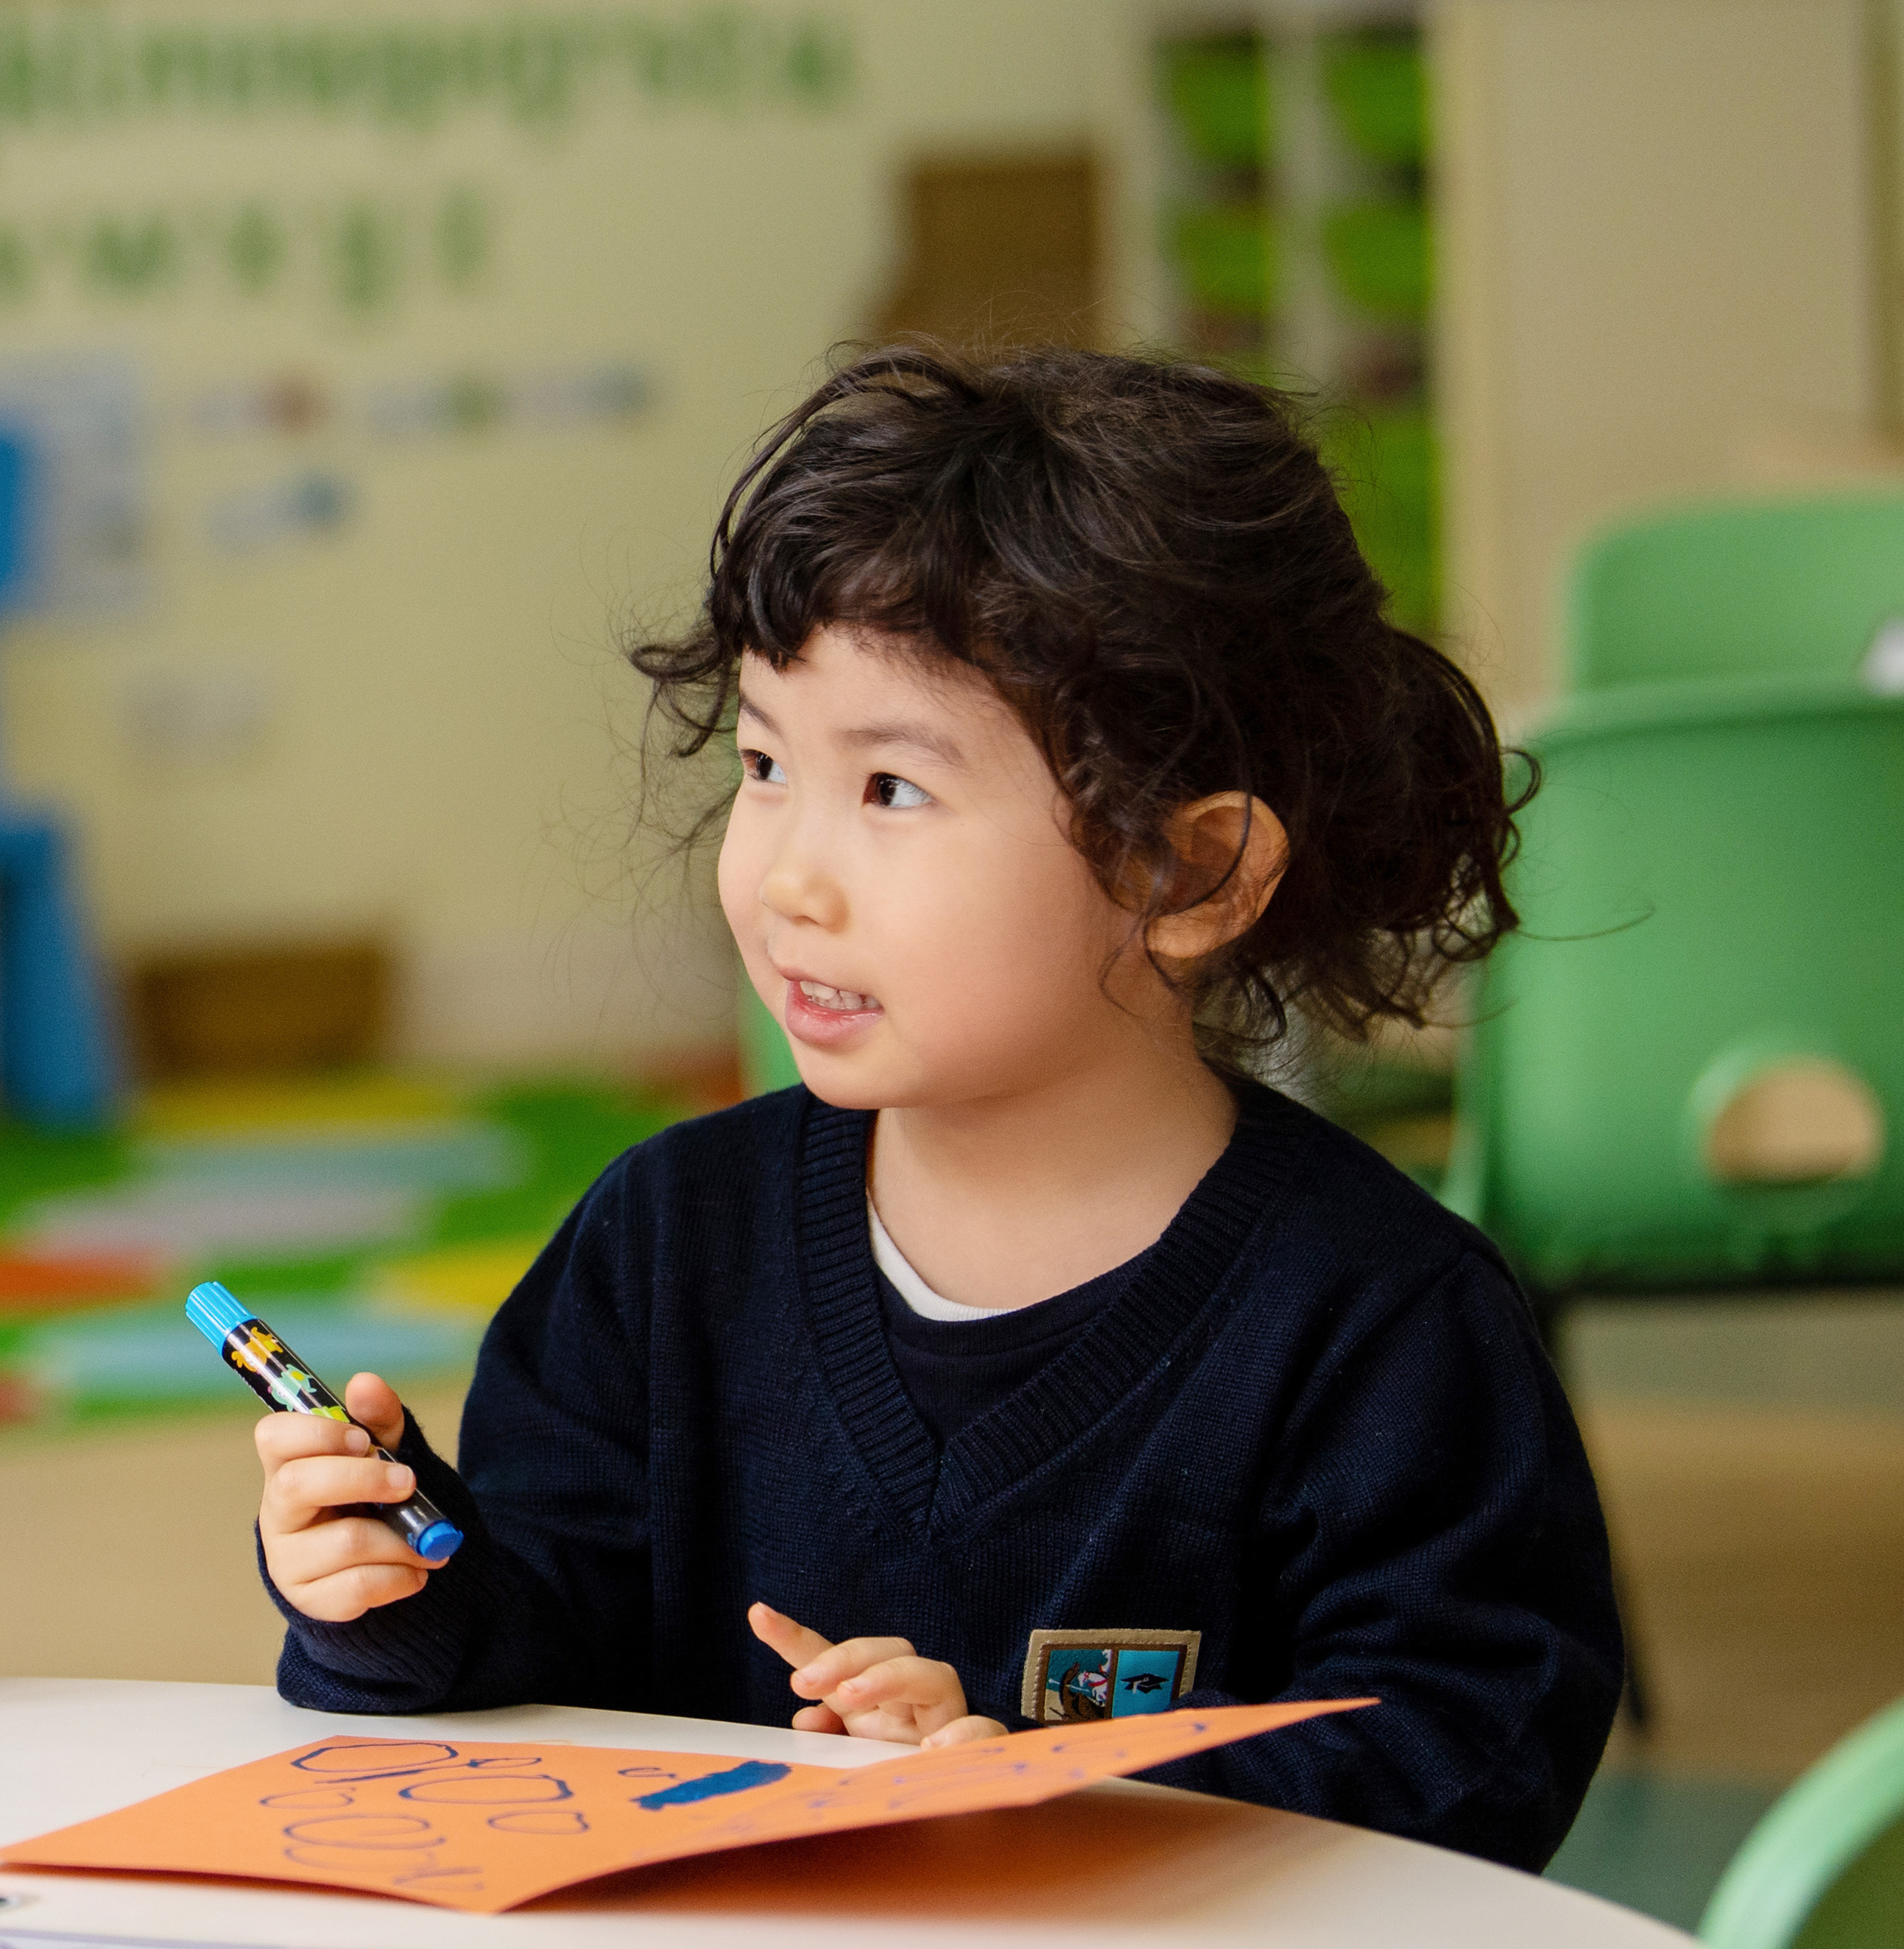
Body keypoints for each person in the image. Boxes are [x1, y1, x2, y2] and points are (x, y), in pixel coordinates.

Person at [251, 346, 1623, 1871]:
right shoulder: (665, 1244)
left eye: (891, 788)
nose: (786, 874)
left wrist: (1062, 1786)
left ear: (1193, 871)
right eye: (765, 762)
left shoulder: (1381, 1316)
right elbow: (541, 1668)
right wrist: (399, 1590)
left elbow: (1469, 1759)